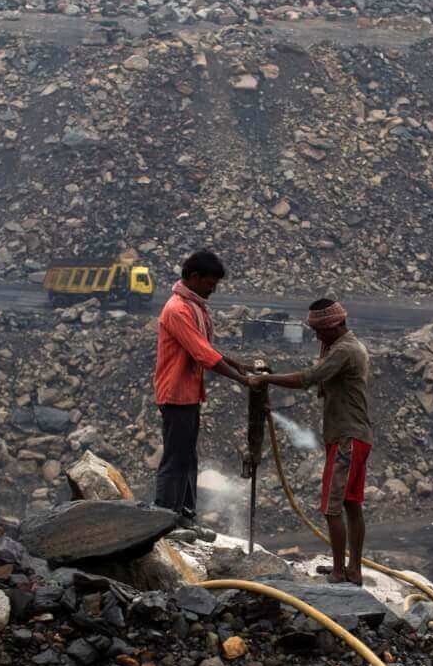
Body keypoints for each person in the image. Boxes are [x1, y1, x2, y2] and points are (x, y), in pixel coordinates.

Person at [251, 298, 372, 584]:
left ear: (334, 325)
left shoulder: (344, 351)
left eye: (320, 330)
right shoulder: (343, 347)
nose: (317, 336)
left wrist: (266, 380)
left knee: (332, 507)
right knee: (352, 505)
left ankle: (341, 571)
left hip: (347, 438)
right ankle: (352, 569)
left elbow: (309, 378)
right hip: (355, 435)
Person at [153, 248, 248, 522]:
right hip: (176, 393)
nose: (212, 290)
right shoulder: (178, 310)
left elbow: (204, 346)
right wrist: (241, 378)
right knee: (175, 459)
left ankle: (184, 513)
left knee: (187, 457)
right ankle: (165, 516)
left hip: (188, 394)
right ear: (194, 277)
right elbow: (202, 353)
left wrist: (235, 363)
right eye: (209, 284)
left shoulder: (193, 307)